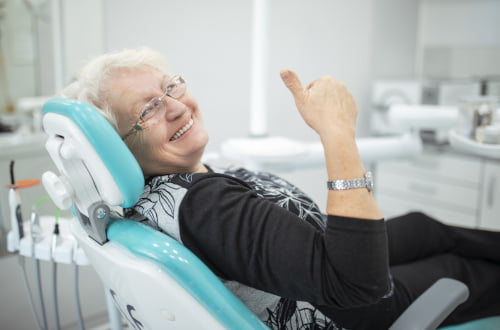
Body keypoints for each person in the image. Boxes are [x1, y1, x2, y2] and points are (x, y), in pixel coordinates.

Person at [61, 48, 500, 330]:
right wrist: (337, 133)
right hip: (352, 306)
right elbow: (358, 286)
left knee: (424, 227)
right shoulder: (205, 206)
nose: (176, 107)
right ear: (116, 148)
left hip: (319, 255)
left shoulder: (162, 195)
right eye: (149, 109)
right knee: (457, 267)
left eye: (169, 88)